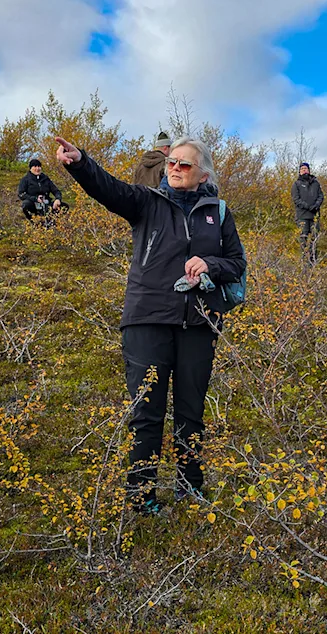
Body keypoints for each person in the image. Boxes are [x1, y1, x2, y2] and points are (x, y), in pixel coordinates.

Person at [54, 135, 246, 513]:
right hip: (147, 319)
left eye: (184, 164)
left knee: (191, 413)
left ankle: (190, 489)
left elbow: (237, 263)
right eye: (172, 161)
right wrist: (80, 163)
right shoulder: (147, 202)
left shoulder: (218, 212)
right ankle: (141, 499)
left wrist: (210, 264)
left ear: (202, 174)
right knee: (147, 412)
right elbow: (108, 189)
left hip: (199, 323)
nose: (174, 167)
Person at [291, 162, 324, 265]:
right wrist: (308, 206)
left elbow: (321, 196)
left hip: (314, 216)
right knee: (304, 239)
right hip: (302, 216)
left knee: (315, 239)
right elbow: (296, 200)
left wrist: (316, 205)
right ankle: (305, 263)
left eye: (306, 168)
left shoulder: (316, 183)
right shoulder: (296, 184)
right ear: (299, 172)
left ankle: (314, 261)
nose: (304, 170)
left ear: (309, 170)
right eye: (302, 169)